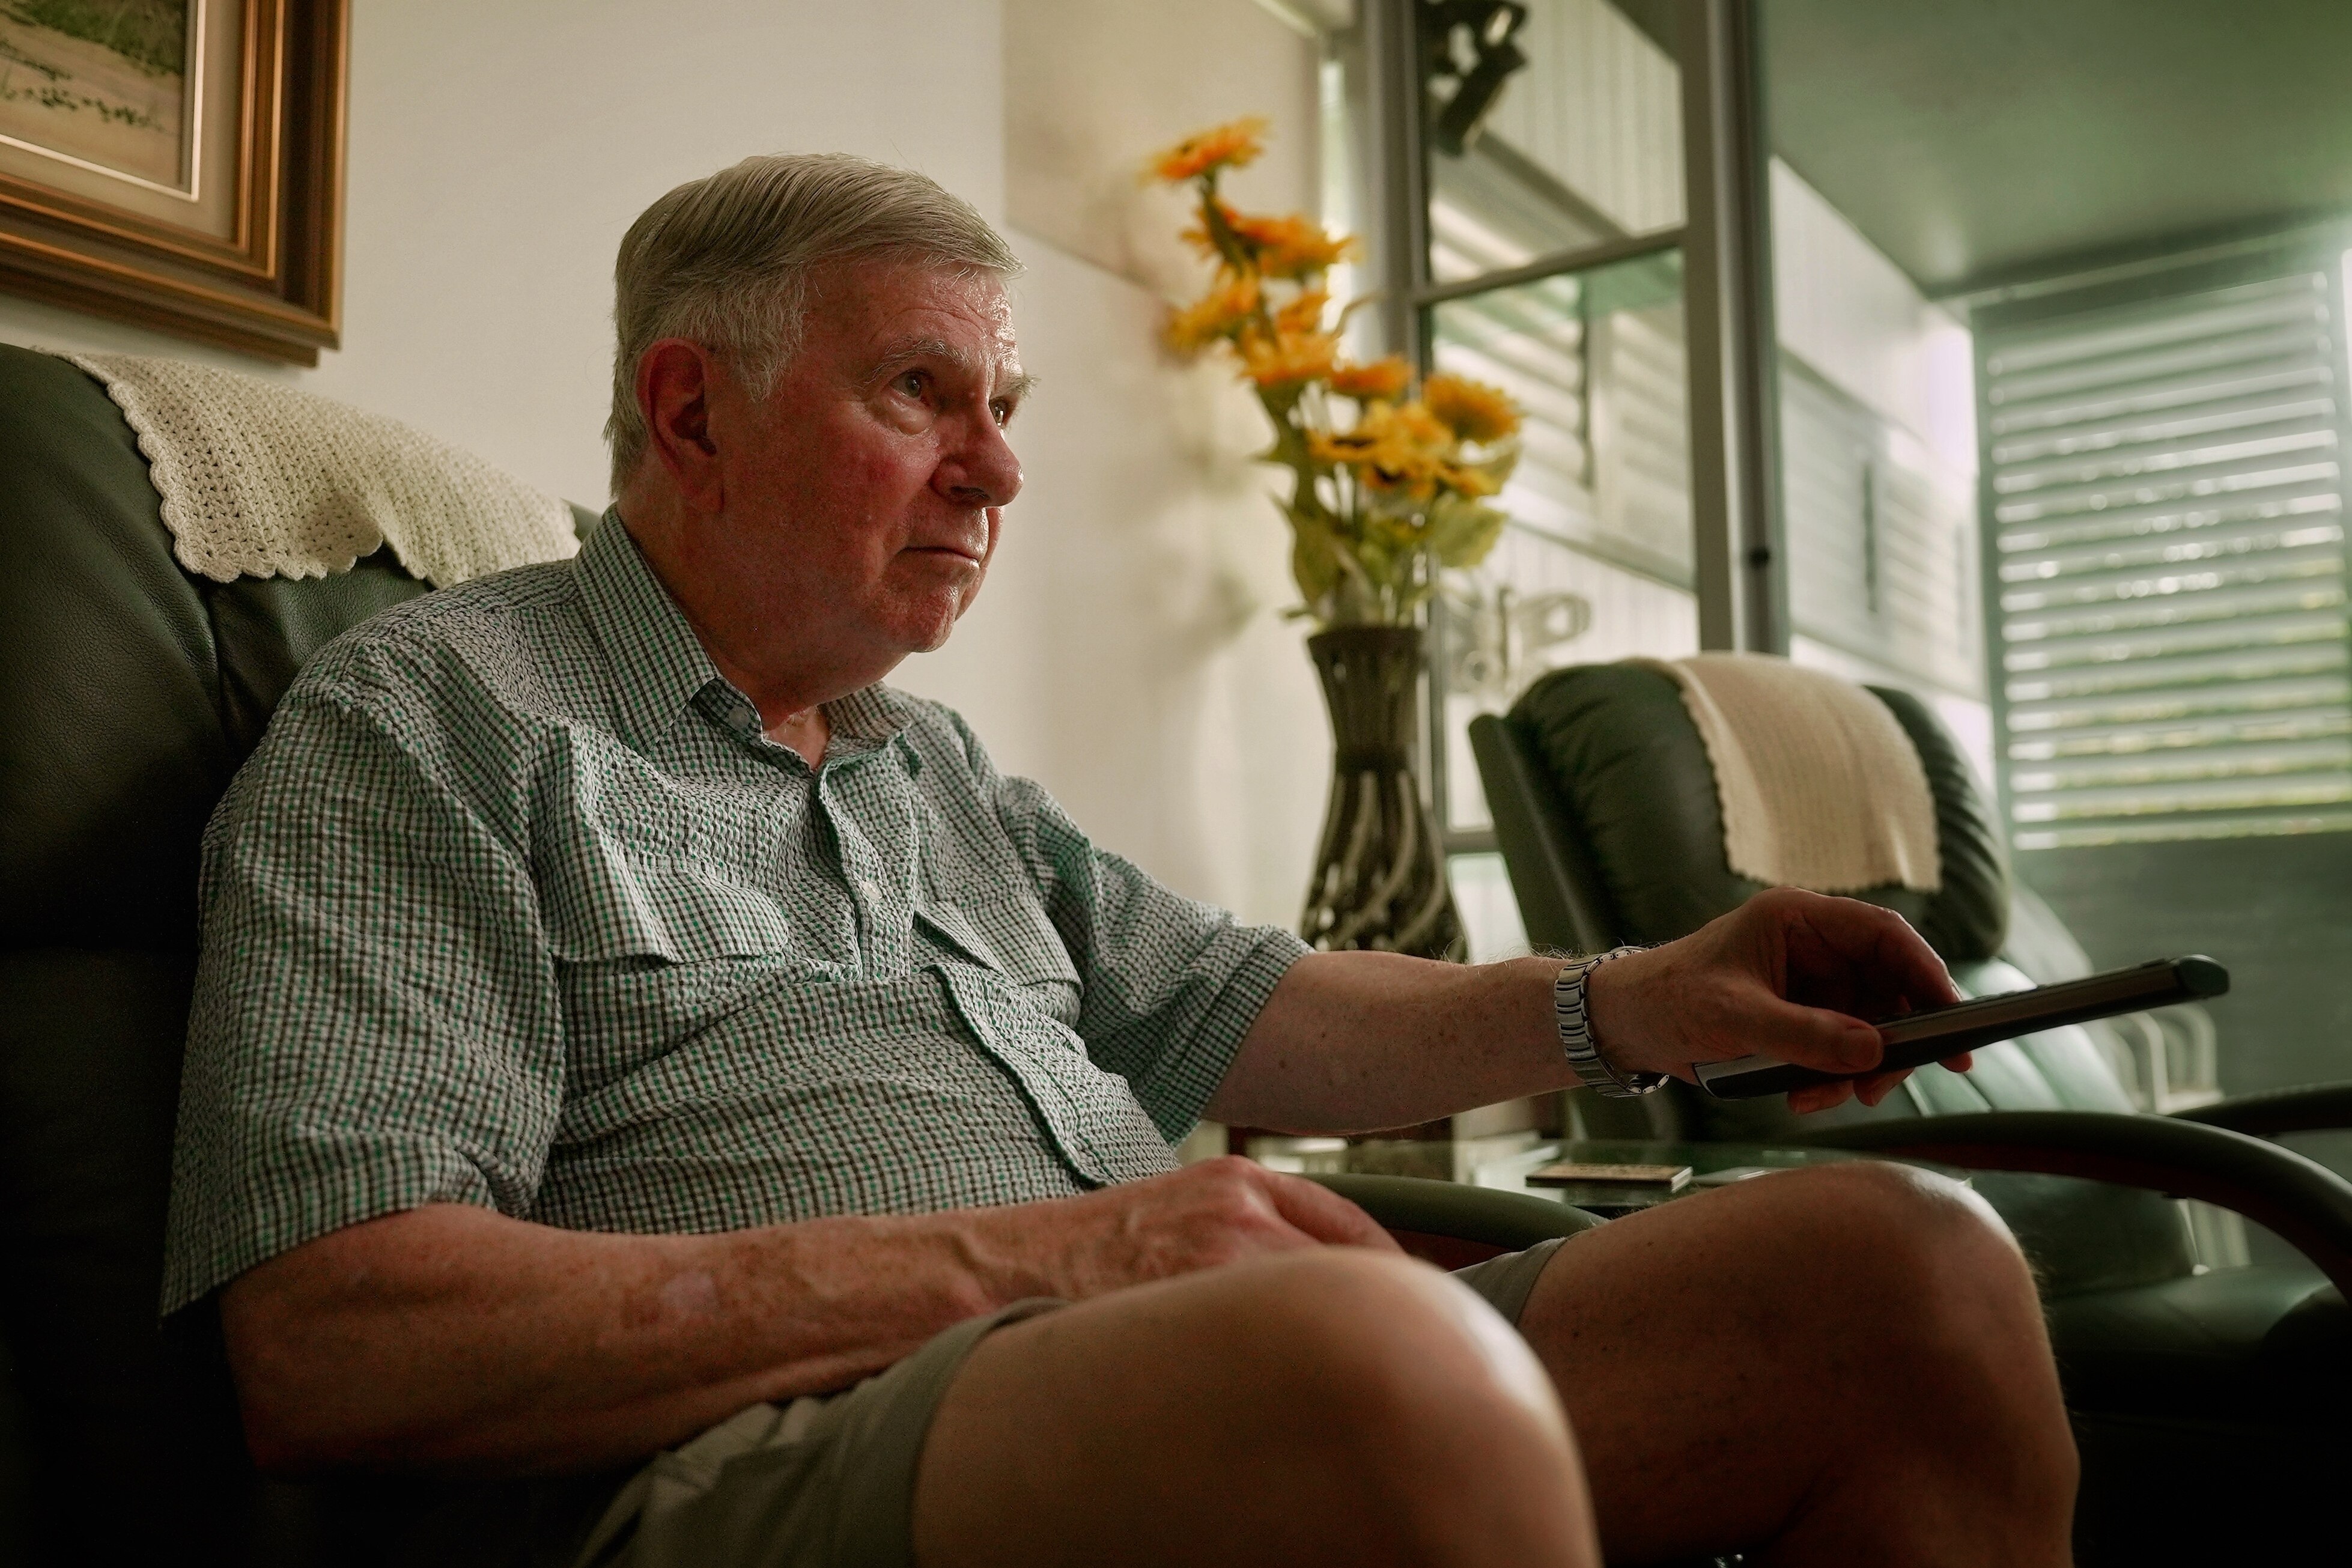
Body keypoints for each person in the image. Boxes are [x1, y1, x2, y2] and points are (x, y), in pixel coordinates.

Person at [165, 154, 2077, 1568]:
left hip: (1169, 1367)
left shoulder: (927, 766)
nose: (997, 471)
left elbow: (1248, 1002)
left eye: (1001, 410)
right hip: (754, 1467)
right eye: (920, 395)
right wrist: (1069, 1251)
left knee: (1899, 1272)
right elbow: (338, 1339)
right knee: (1366, 1364)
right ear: (691, 410)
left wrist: (1635, 997)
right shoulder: (433, 719)